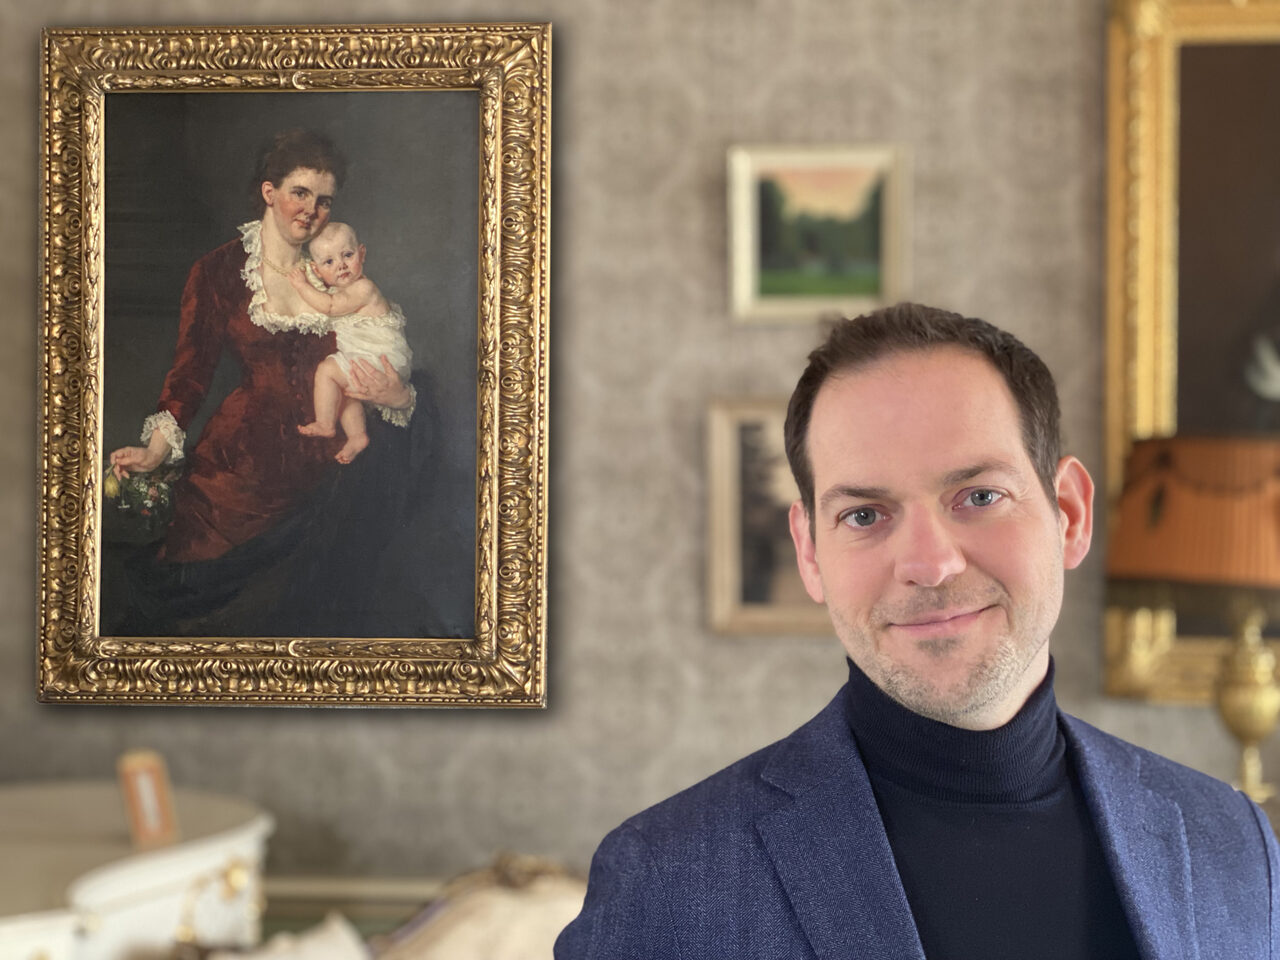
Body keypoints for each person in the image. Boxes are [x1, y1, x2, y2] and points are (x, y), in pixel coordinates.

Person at [556, 303, 1280, 958]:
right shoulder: (665, 881)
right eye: (864, 515)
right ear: (809, 553)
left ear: (1070, 513)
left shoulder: (1233, 842)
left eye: (979, 496)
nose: (930, 565)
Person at [105, 128, 416, 634]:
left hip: (333, 467)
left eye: (324, 200)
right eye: (300, 193)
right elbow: (190, 373)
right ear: (269, 192)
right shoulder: (219, 271)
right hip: (242, 466)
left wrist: (399, 395)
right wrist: (156, 451)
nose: (311, 211)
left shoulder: (337, 269)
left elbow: (381, 346)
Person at [288, 221, 413, 464]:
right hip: (367, 357)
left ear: (362, 254)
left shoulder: (363, 288)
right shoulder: (341, 290)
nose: (341, 265)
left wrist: (301, 285)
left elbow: (330, 306)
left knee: (327, 371)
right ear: (316, 270)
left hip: (381, 361)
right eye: (329, 262)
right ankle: (357, 436)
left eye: (347, 255)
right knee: (345, 391)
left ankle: (325, 423)